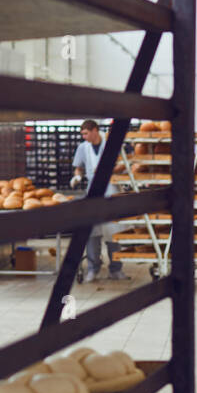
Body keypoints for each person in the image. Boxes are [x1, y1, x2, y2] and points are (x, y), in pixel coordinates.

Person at [69, 119, 130, 282]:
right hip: (93, 191)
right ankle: (93, 268)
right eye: (82, 134)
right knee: (92, 231)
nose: (84, 137)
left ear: (95, 130)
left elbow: (124, 162)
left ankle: (116, 269)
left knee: (113, 231)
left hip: (111, 189)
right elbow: (79, 166)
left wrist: (109, 169)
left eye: (86, 133)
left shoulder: (111, 143)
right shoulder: (83, 148)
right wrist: (77, 176)